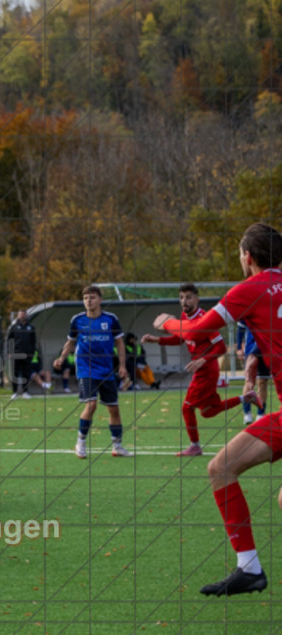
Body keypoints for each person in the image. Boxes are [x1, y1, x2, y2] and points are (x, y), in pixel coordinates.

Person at [153, 222, 281, 596]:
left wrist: (169, 323)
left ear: (248, 256)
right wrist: (257, 357)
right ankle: (249, 570)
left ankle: (250, 567)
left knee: (221, 468)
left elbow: (195, 332)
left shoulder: (249, 289)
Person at [143, 283, 253, 457]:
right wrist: (157, 340)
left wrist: (203, 359)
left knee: (187, 408)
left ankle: (195, 446)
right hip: (202, 368)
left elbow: (221, 347)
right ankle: (245, 397)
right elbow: (181, 339)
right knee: (209, 411)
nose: (184, 301)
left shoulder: (204, 319)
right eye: (181, 298)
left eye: (188, 297)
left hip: (206, 369)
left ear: (197, 299)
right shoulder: (184, 317)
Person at [54, 285, 131, 459]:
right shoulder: (77, 320)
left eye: (93, 297)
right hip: (85, 368)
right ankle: (80, 443)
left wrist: (122, 365)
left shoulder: (110, 319)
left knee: (114, 409)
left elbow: (119, 343)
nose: (89, 301)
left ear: (100, 300)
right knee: (91, 404)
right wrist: (62, 358)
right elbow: (70, 342)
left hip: (106, 370)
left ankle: (117, 446)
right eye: (86, 298)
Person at [236, 321, 269, 425]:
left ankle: (260, 414)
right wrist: (239, 348)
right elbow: (240, 328)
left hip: (266, 350)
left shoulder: (271, 308)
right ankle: (247, 413)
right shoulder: (249, 307)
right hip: (250, 350)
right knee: (249, 381)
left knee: (263, 382)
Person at [6, 310, 39, 399]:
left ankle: (25, 392)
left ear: (26, 315)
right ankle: (14, 392)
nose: (22, 316)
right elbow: (9, 340)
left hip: (27, 354)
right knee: (15, 374)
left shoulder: (31, 327)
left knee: (26, 374)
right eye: (20, 314)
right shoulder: (13, 327)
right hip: (15, 354)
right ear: (18, 315)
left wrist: (32, 353)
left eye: (24, 314)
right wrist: (9, 352)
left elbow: (33, 341)